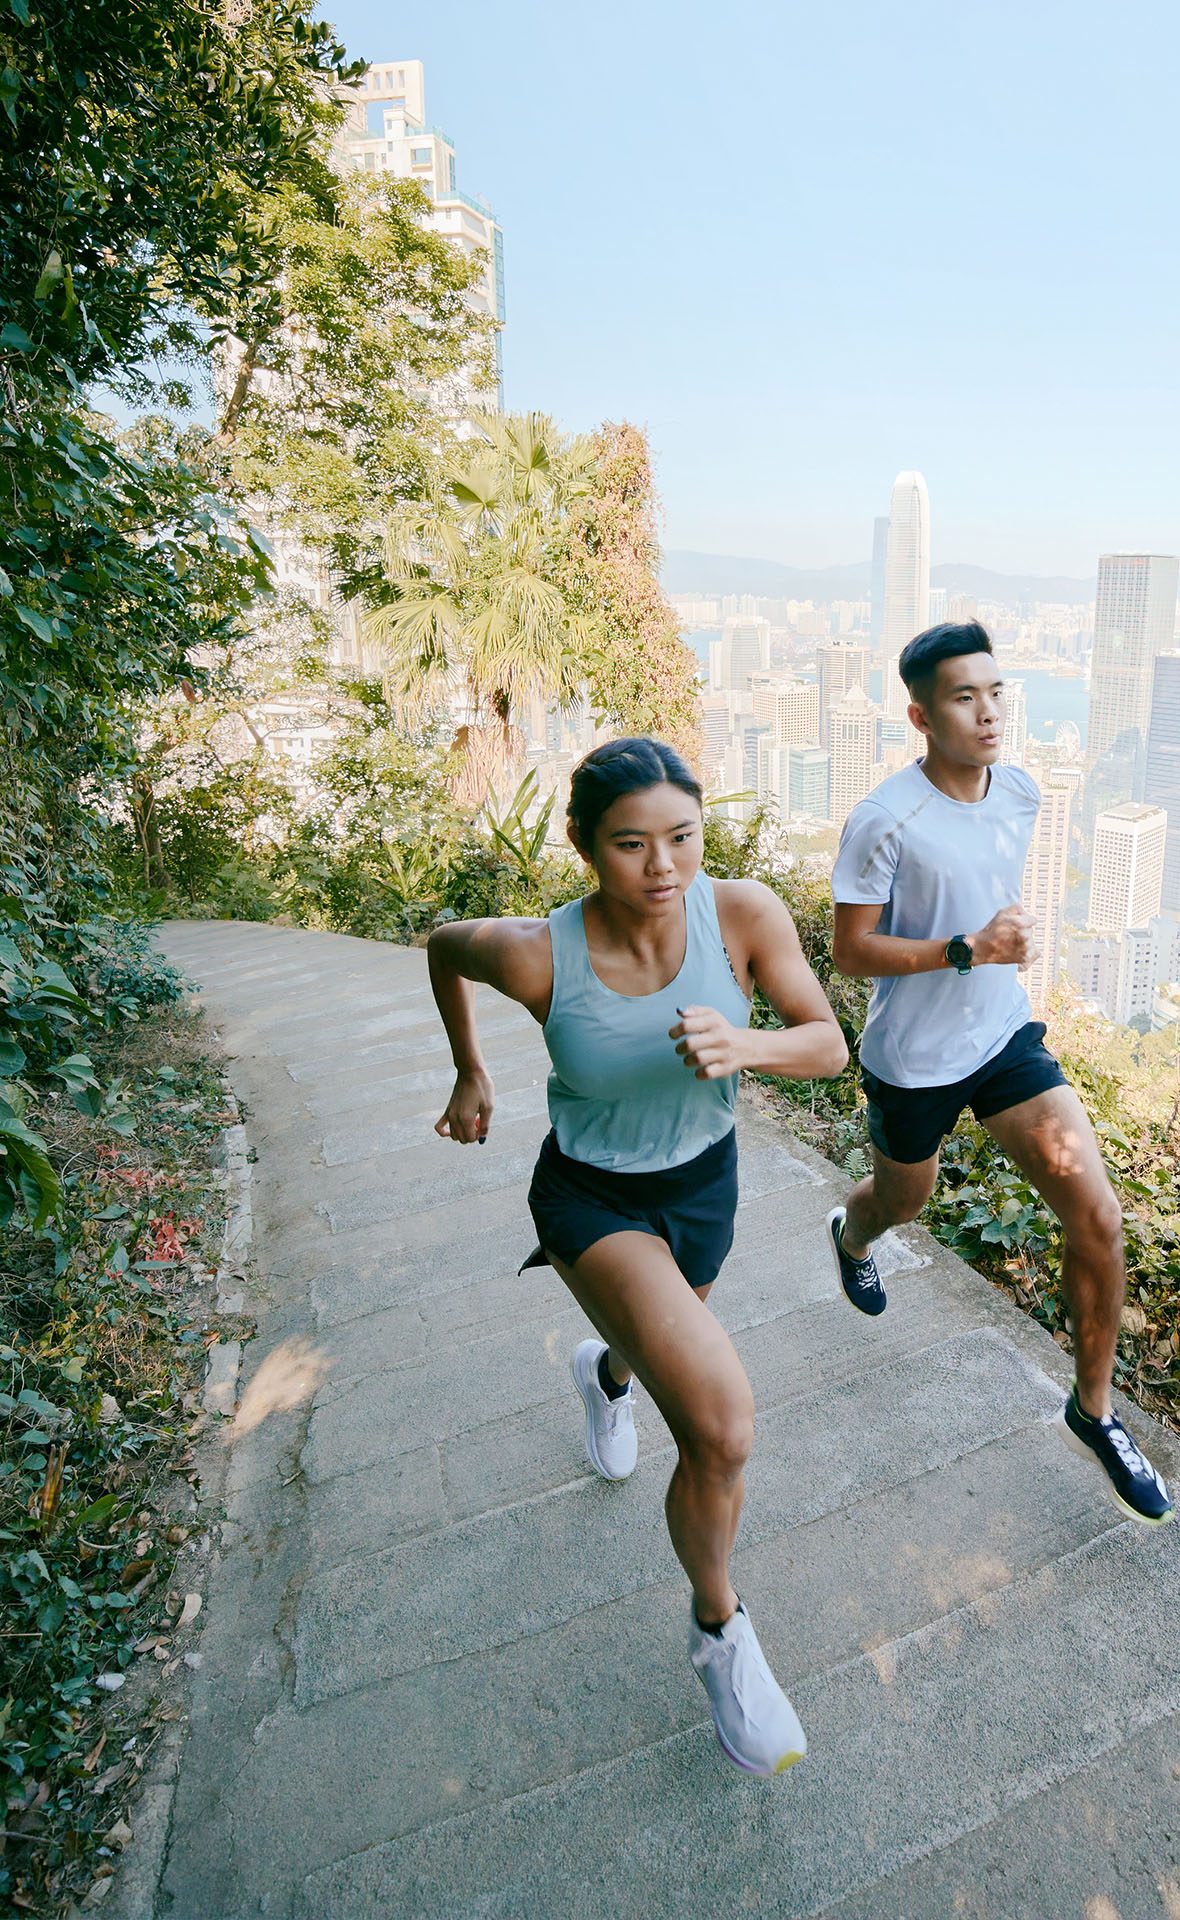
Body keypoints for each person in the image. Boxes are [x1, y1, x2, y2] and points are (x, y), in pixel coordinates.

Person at [427, 736, 848, 1774]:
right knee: (720, 1426)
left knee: (657, 1357)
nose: (661, 867)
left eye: (682, 838)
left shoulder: (741, 913)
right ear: (581, 845)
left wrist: (743, 1045)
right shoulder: (538, 953)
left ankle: (601, 1370)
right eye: (629, 845)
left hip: (703, 1186)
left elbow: (828, 1043)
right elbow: (443, 945)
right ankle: (721, 1635)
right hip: (590, 1195)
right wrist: (470, 1074)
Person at [828, 620, 1173, 1527]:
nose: (987, 713)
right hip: (913, 1061)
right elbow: (848, 952)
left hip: (1003, 1040)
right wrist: (965, 950)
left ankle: (1094, 1412)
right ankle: (851, 1235)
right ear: (920, 713)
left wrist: (995, 961)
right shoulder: (885, 817)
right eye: (962, 697)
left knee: (1096, 1212)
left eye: (995, 693)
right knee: (902, 1202)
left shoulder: (1020, 789)